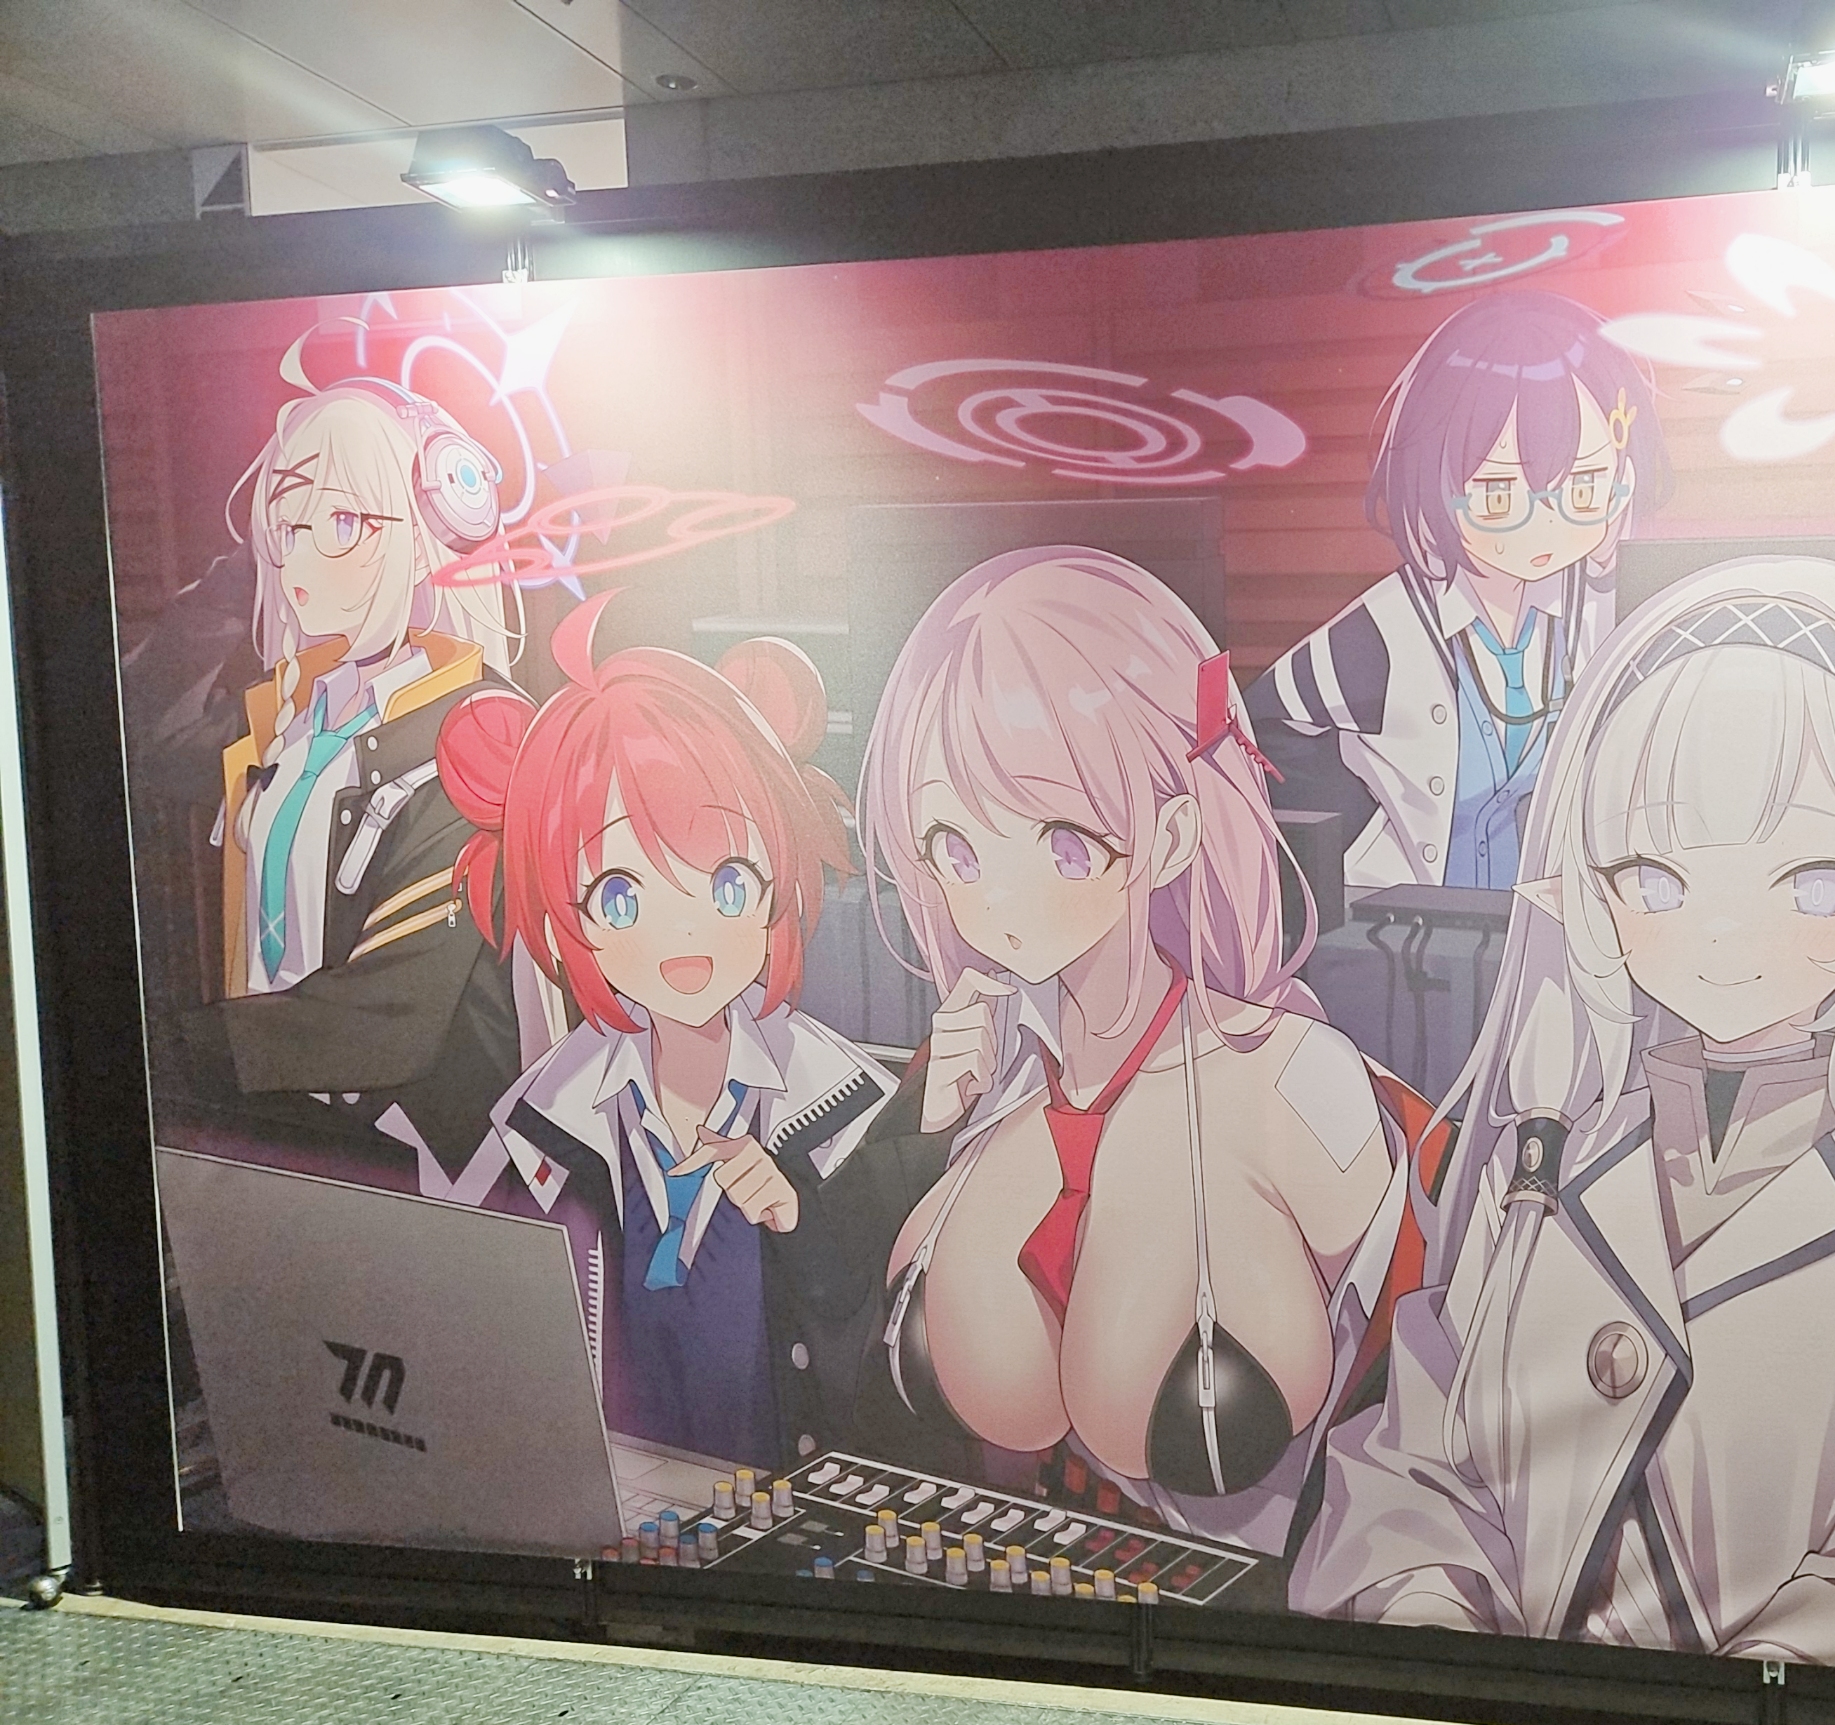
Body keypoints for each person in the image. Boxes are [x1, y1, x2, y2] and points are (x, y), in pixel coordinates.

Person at [1294, 556, 1835, 1689]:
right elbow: (1418, 1468)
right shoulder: (1537, 1174)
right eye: (1653, 878)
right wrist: (1428, 1610)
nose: (1725, 937)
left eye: (1819, 883)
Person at [859, 547, 1414, 1554]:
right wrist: (918, 1137)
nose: (1000, 897)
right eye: (957, 849)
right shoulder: (977, 1080)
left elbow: (1431, 1401)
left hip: (1271, 1622)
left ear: (1169, 836)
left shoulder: (1294, 1079)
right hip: (999, 1608)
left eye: (1062, 842)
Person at [441, 592, 898, 1471]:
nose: (684, 930)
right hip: (620, 1514)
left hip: (785, 1515)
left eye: (726, 883)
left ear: (776, 882)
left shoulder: (844, 1108)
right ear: (566, 917)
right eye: (621, 896)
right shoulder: (543, 1121)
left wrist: (798, 1217)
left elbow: (894, 1345)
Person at [186, 376, 527, 1195]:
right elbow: (146, 734)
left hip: (420, 1166)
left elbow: (391, 1016)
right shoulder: (288, 715)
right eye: (288, 527)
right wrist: (229, 583)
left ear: (428, 538)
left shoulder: (480, 733)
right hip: (274, 1125)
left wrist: (173, 1051)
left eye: (343, 524)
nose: (300, 562)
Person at [1244, 290, 1669, 892]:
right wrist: (1351, 849)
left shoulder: (1611, 612)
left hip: (1567, 913)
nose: (1541, 525)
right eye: (1497, 494)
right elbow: (1263, 729)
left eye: (1583, 485)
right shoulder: (1386, 630)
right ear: (1434, 482)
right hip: (1420, 922)